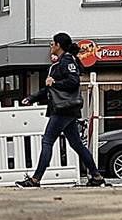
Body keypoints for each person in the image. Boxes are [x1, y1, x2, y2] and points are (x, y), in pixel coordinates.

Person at [15, 32, 107, 188]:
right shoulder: (62, 62)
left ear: (58, 45)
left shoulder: (67, 61)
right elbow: (50, 89)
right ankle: (97, 177)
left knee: (47, 141)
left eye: (53, 43)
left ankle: (35, 179)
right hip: (66, 109)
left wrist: (54, 83)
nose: (51, 46)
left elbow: (73, 82)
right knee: (77, 145)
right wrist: (32, 98)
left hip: (63, 110)